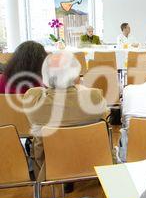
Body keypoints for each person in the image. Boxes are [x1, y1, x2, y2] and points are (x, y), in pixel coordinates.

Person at [23, 51, 107, 179]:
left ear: (45, 75)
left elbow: (38, 90)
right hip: (90, 163)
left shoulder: (33, 101)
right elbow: (101, 108)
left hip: (50, 168)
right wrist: (78, 86)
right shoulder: (94, 98)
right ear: (76, 75)